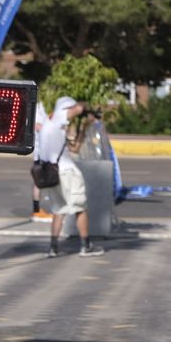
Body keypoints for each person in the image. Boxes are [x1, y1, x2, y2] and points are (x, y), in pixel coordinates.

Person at [37, 97, 105, 258]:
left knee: (58, 210)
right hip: (67, 172)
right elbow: (79, 108)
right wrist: (86, 109)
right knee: (80, 208)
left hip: (52, 173)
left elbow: (74, 149)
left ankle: (53, 248)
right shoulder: (61, 115)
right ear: (67, 107)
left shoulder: (50, 124)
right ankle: (86, 246)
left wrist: (84, 127)